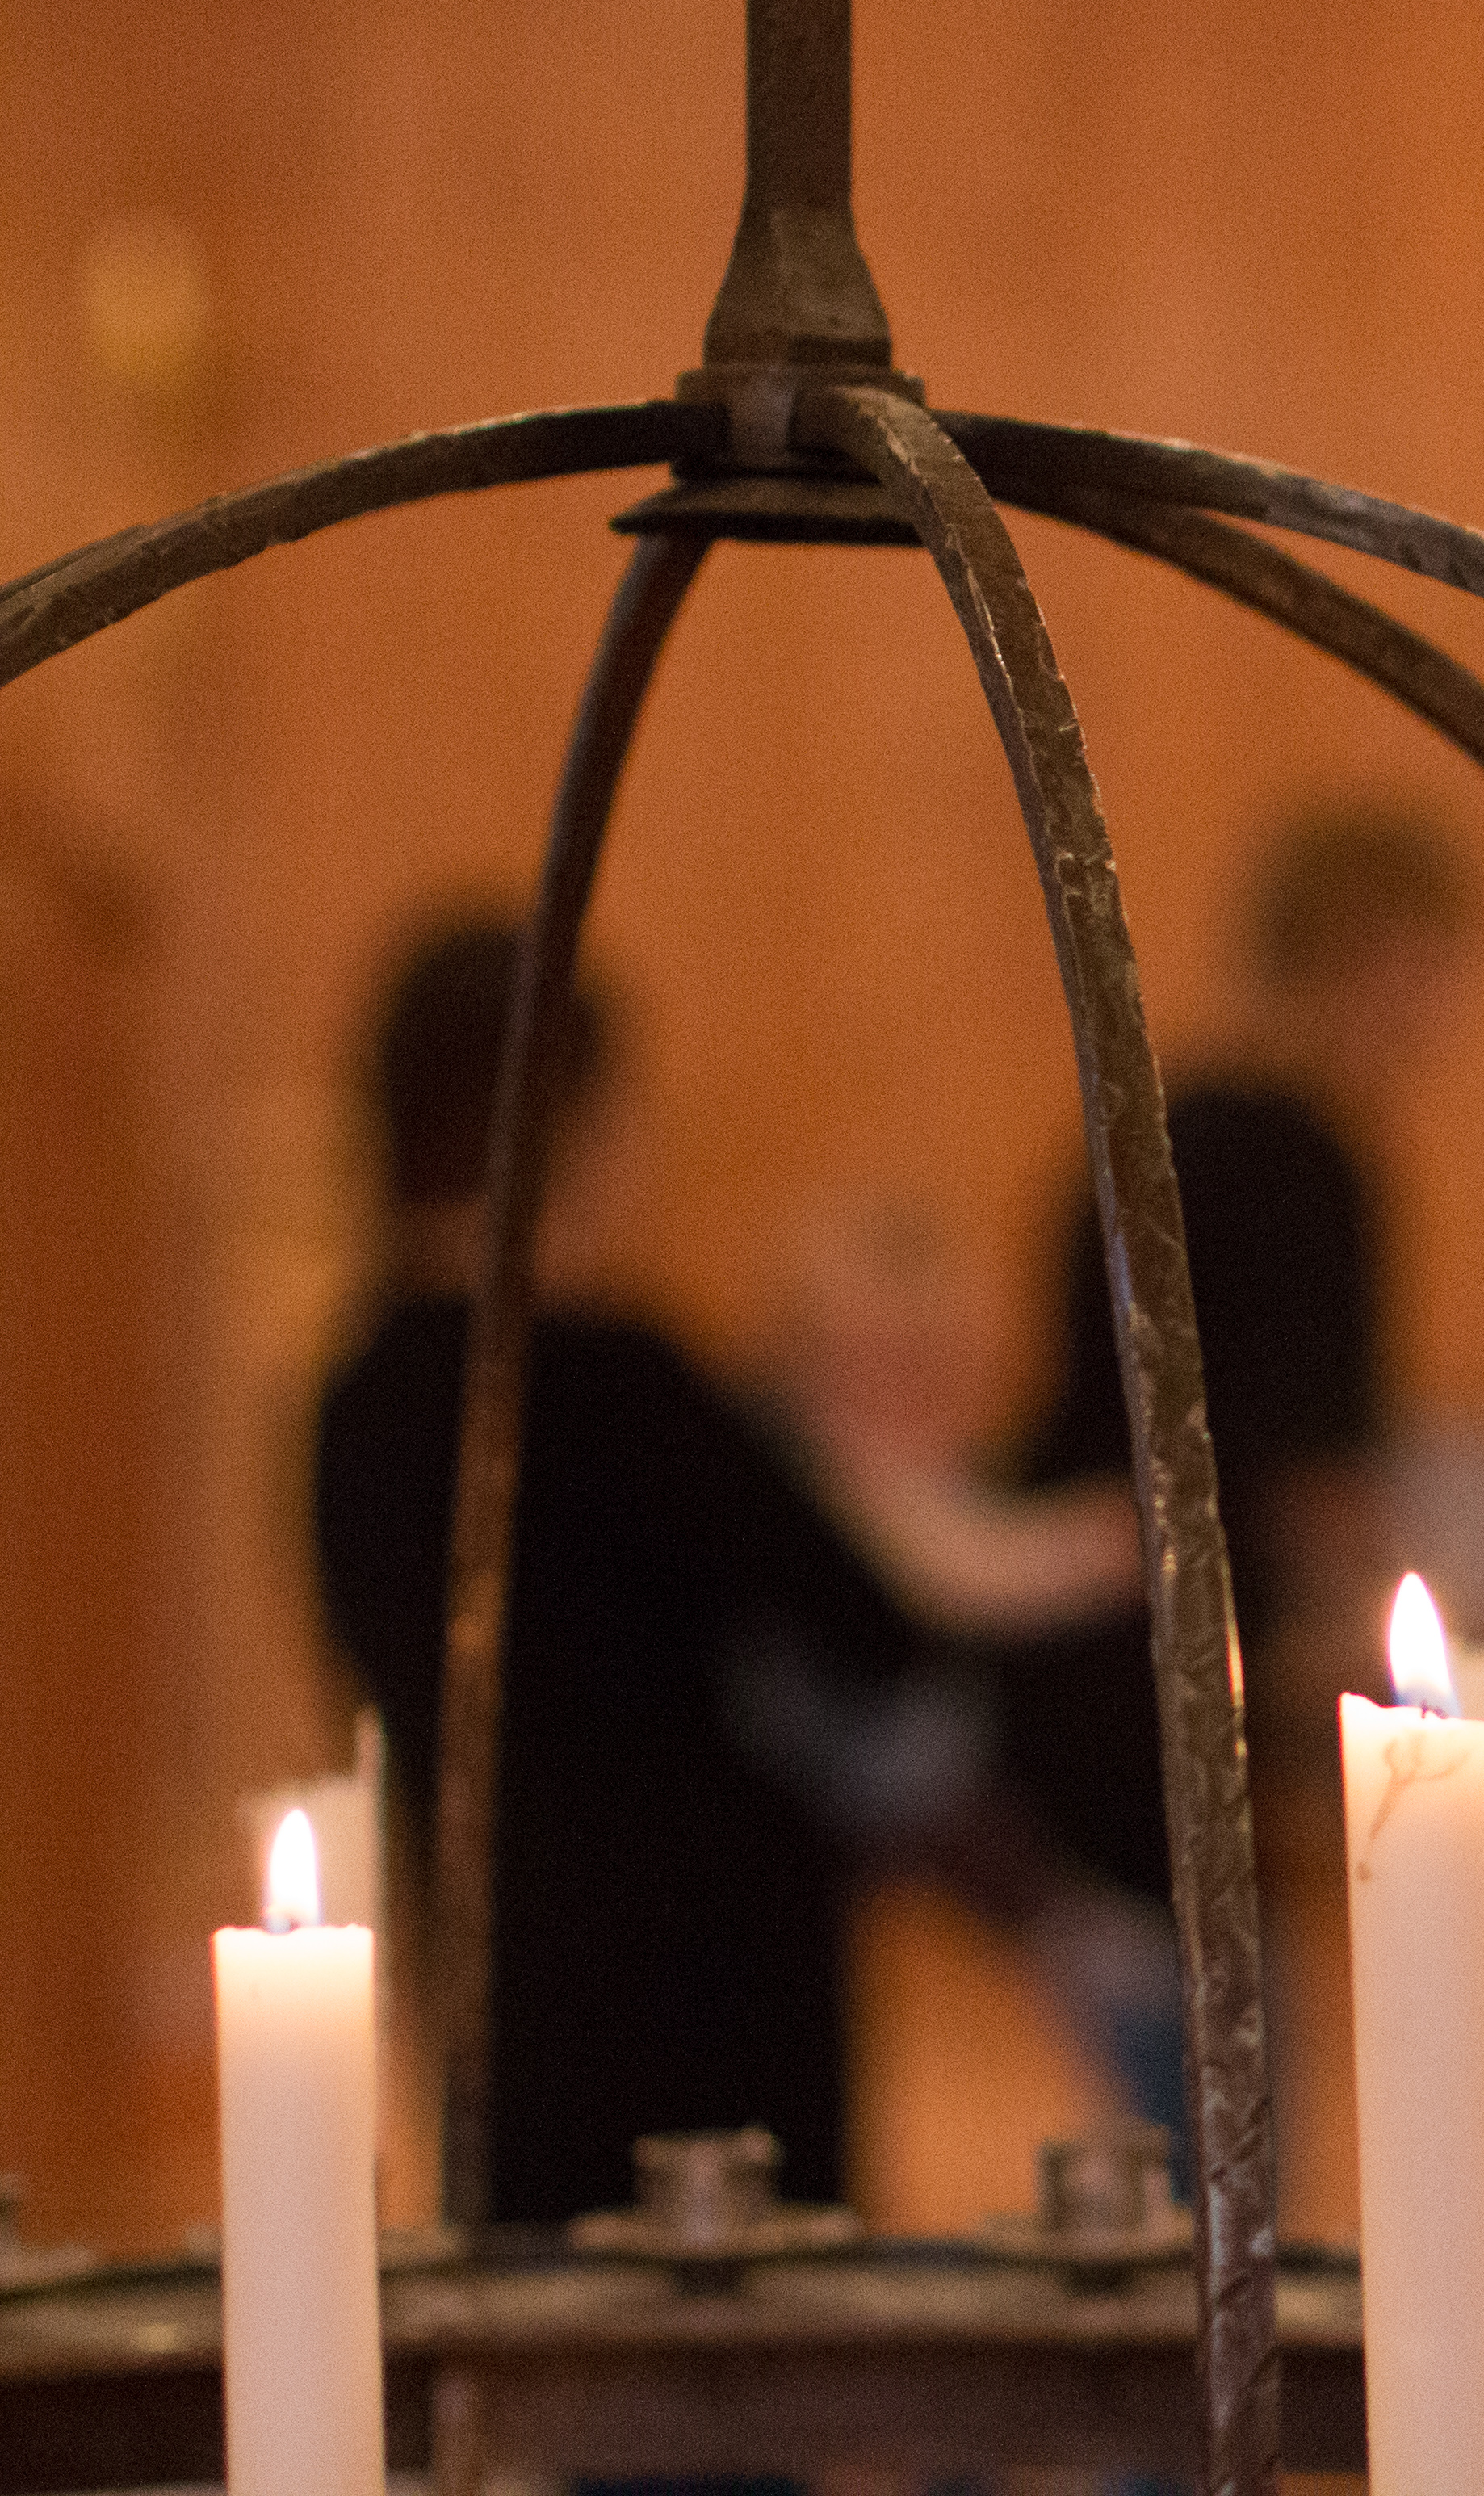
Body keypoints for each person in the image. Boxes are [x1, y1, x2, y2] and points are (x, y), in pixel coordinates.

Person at [310, 925, 991, 2222]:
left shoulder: (353, 1400)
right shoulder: (617, 1376)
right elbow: (870, 1622)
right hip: (706, 2013)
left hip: (492, 1991)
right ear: (567, 1122)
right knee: (719, 2398)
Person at [974, 806, 1484, 2130]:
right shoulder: (1307, 1156)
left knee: (1164, 2126)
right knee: (1229, 2128)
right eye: (1438, 970)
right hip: (1180, 1692)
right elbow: (1313, 1476)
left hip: (1076, 1670)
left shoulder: (1151, 1113)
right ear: (1373, 955)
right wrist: (1430, 1650)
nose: (1448, 1017)